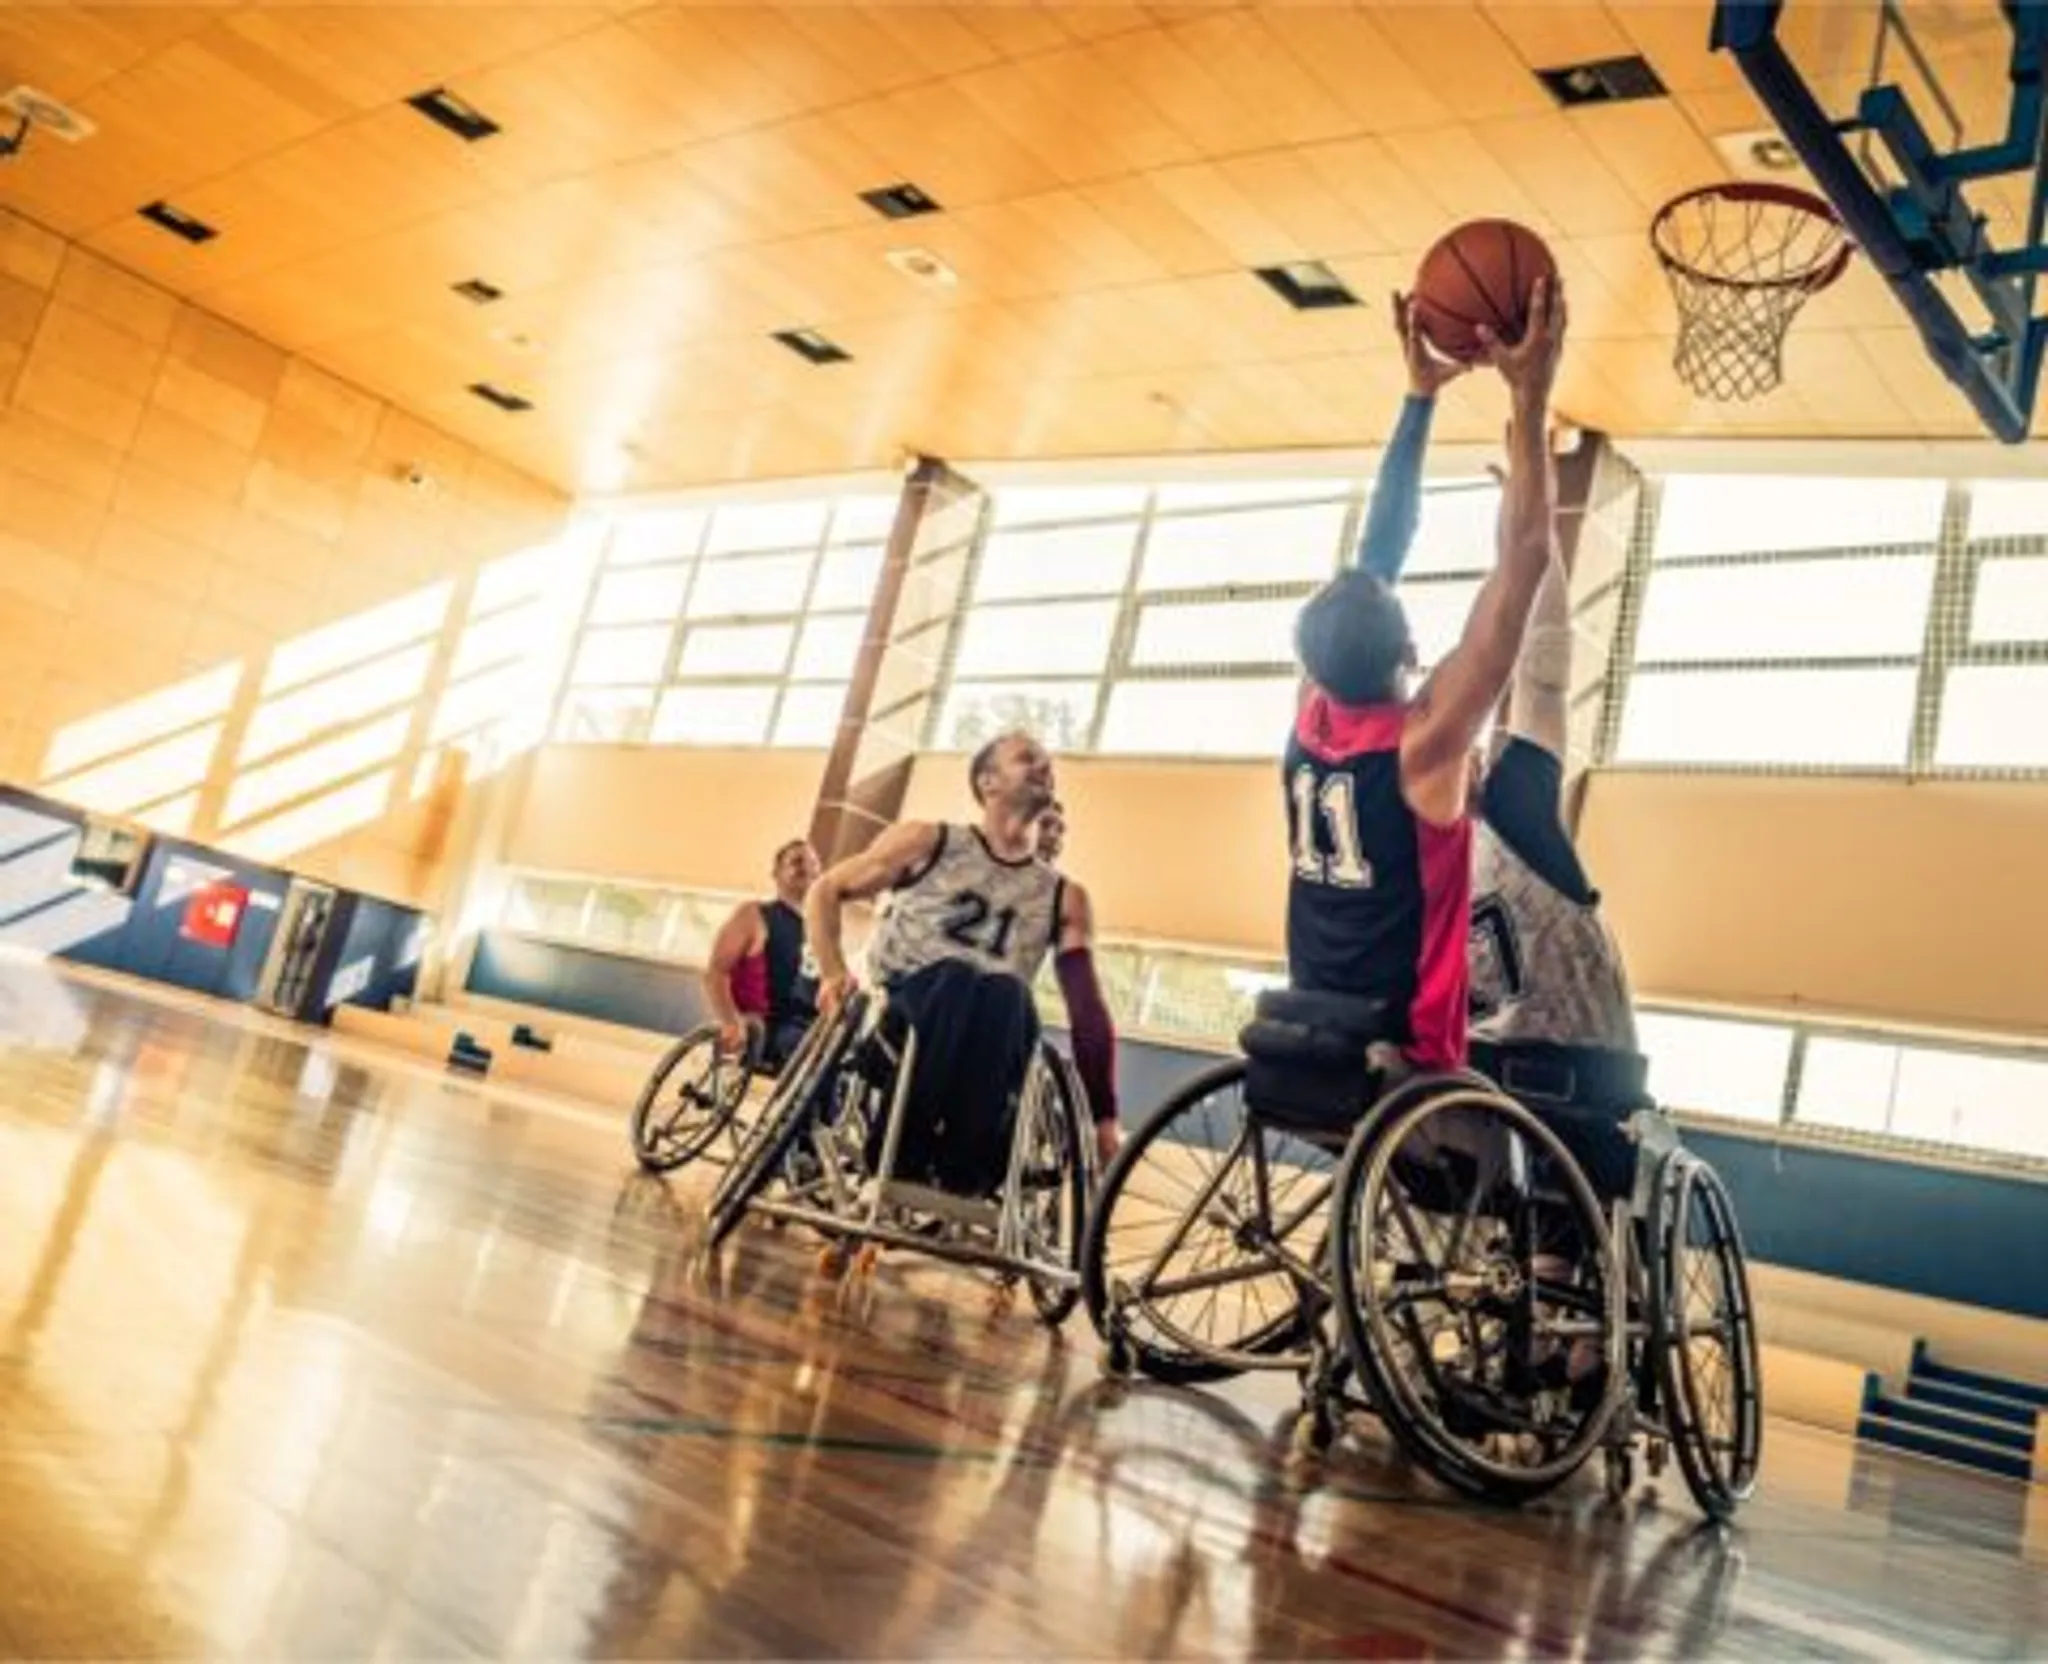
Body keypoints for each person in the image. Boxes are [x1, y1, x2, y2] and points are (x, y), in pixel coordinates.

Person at [1283, 279, 1567, 1070]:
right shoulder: (1424, 743)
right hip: (1404, 1051)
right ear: (1411, 655)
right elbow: (1525, 563)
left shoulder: (1312, 717)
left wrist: (1419, 399)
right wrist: (1530, 394)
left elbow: (1381, 546)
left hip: (1310, 1023)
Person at [1355, 301, 1636, 1055]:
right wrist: (1524, 521)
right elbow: (1538, 669)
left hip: (1554, 1066)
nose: (1478, 753)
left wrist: (1526, 506)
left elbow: (1540, 669)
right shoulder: (1489, 811)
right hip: (1524, 1074)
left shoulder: (1462, 818)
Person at [806, 733, 1122, 1189]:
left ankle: (967, 1171)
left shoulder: (1064, 896)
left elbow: (1087, 1010)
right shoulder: (927, 840)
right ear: (987, 781)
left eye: (1047, 762)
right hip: (905, 1021)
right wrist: (833, 972)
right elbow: (825, 891)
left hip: (989, 1041)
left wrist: (1103, 1116)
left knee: (1008, 992)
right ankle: (900, 1158)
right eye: (1028, 759)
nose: (1043, 767)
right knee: (956, 977)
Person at [702, 838, 822, 1070]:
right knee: (813, 1051)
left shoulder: (819, 932)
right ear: (776, 873)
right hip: (768, 1030)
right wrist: (730, 1021)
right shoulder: (754, 915)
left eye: (814, 863)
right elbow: (715, 973)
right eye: (797, 861)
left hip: (810, 1027)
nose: (807, 868)